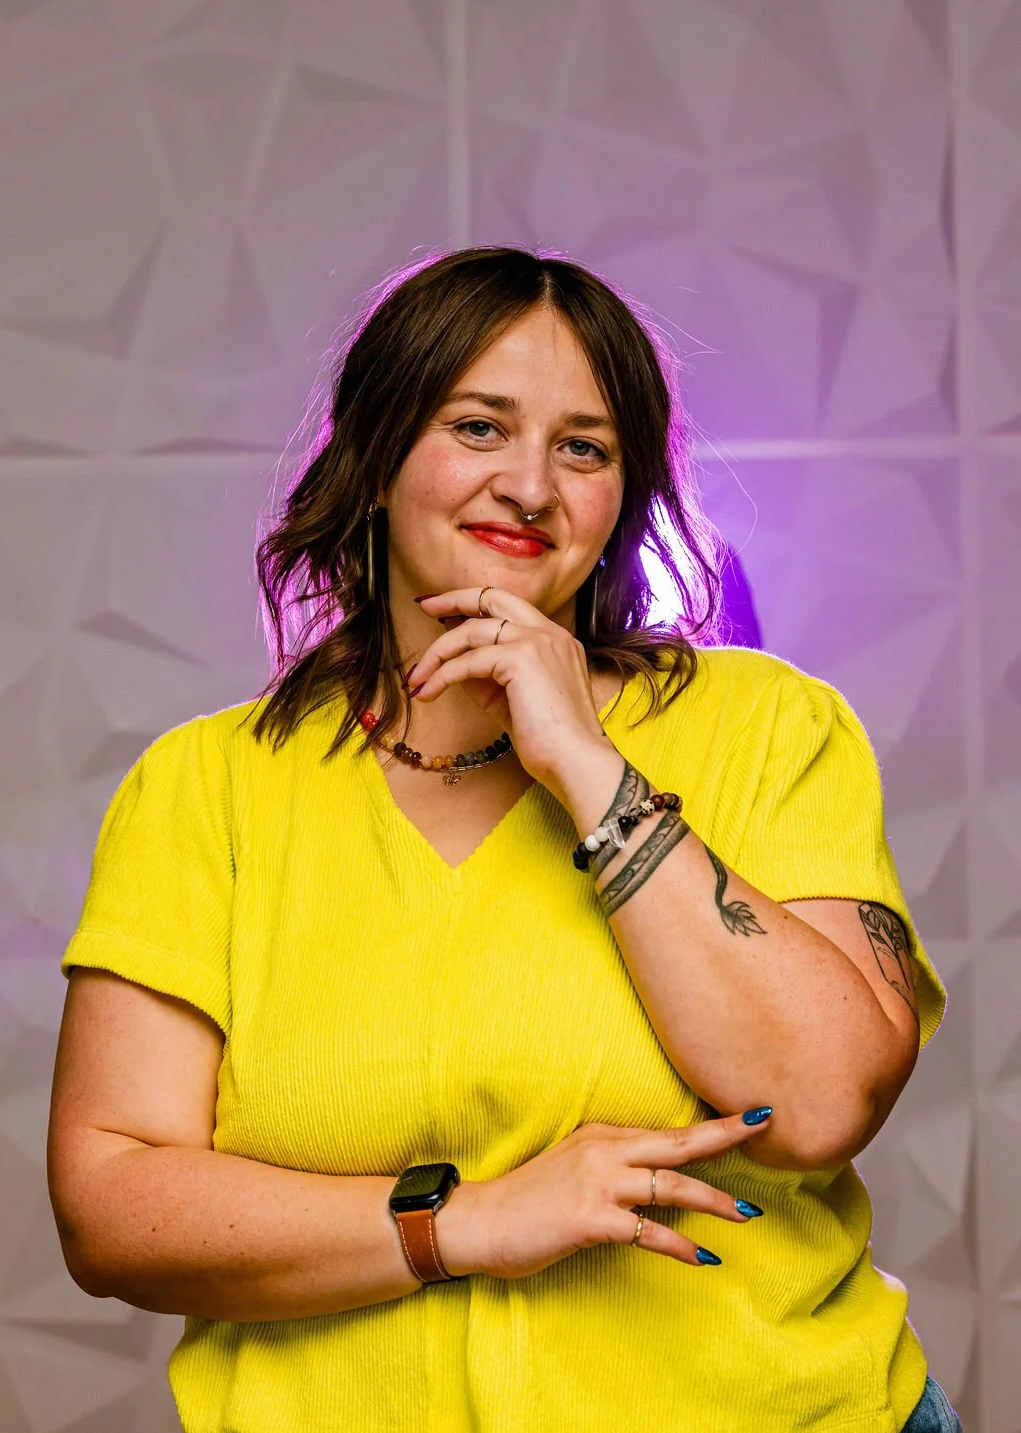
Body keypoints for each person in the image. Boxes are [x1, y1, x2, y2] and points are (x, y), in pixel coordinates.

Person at [47, 247, 962, 1433]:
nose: (529, 485)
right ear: (375, 459)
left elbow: (821, 1100)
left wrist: (587, 766)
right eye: (478, 427)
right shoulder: (201, 787)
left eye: (583, 447)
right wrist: (463, 1219)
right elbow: (112, 1204)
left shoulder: (769, 725)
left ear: (619, 497)